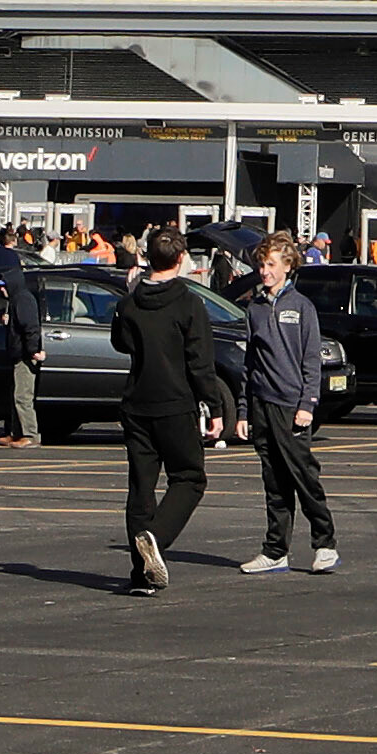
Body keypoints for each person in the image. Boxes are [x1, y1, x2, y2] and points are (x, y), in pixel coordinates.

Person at [109, 221, 238, 592]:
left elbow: (121, 342)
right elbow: (200, 361)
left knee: (141, 487)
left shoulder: (132, 301)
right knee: (189, 478)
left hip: (137, 402)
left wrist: (128, 299)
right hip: (175, 402)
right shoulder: (187, 302)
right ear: (181, 259)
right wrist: (214, 409)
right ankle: (155, 538)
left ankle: (142, 573)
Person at [231, 232, 339, 577]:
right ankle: (275, 550)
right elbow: (249, 364)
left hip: (291, 406)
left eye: (271, 265)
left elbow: (311, 359)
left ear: (288, 266)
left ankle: (325, 544)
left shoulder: (301, 307)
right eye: (262, 265)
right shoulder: (255, 308)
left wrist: (307, 402)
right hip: (262, 403)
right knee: (274, 481)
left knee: (303, 476)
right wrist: (245, 410)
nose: (265, 271)